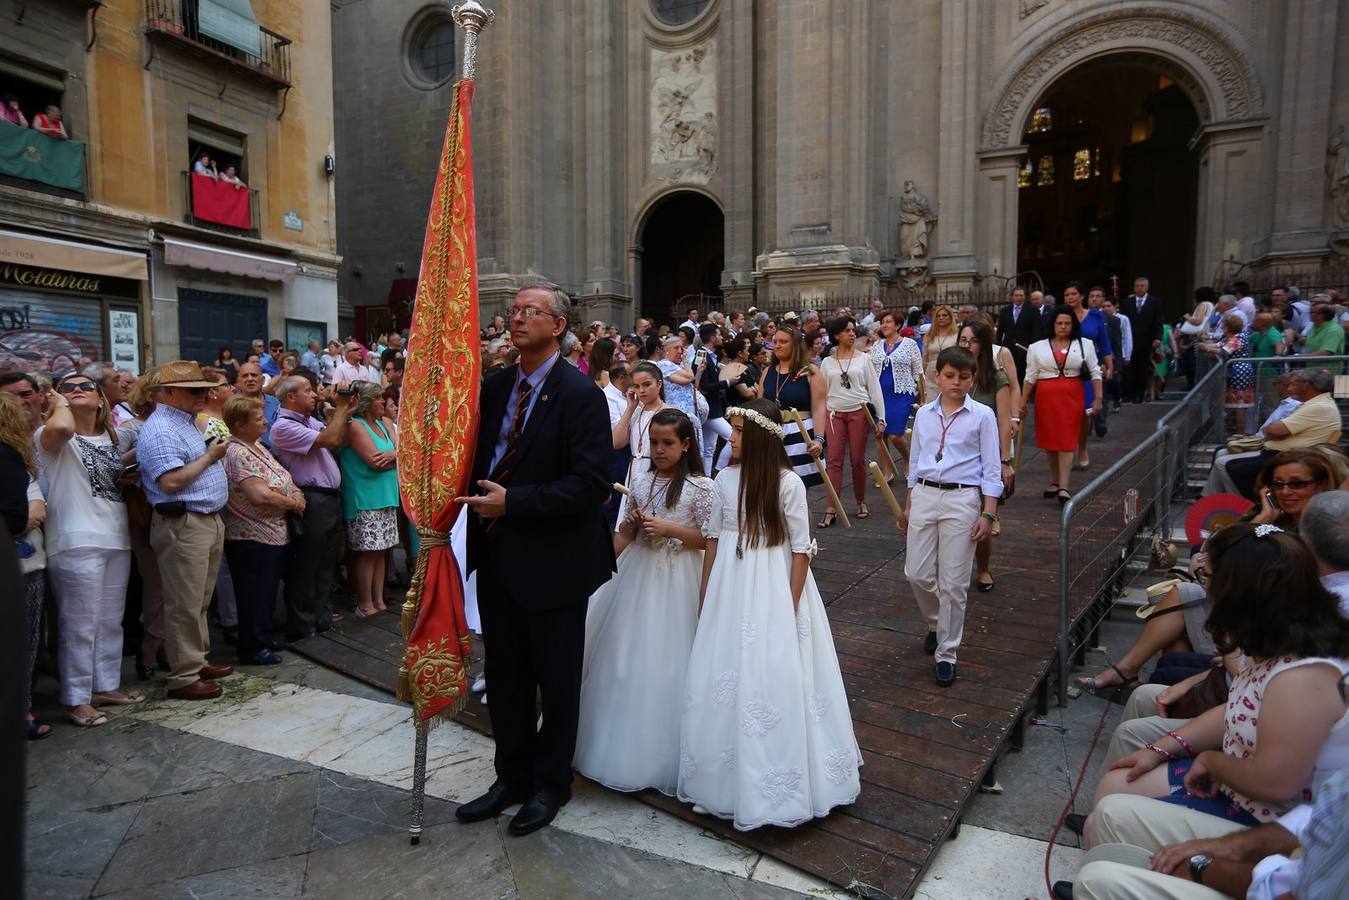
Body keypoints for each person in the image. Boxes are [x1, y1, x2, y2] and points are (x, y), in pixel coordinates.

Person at [1080, 524, 1349, 864]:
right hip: (1239, 788)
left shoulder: (1304, 677)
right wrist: (1160, 748)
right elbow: (1238, 709)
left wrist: (1210, 762)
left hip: (1273, 826)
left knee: (1104, 818)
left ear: (1239, 592)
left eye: (1210, 578)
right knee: (1114, 785)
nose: (1205, 588)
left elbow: (1275, 784)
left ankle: (1124, 874)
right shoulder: (1278, 640)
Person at [454, 284, 614, 837]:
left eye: (531, 312)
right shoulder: (495, 387)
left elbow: (591, 484)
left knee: (556, 676)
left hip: (555, 560)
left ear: (559, 325)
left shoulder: (579, 395)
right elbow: (474, 457)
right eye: (514, 311)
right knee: (504, 675)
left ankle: (550, 785)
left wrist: (514, 502)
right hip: (498, 555)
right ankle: (510, 777)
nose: (517, 319)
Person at [678, 397, 861, 828]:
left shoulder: (788, 483)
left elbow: (801, 549)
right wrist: (706, 590)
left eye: (739, 432)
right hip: (731, 581)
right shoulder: (724, 477)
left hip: (774, 582)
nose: (732, 438)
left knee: (773, 672)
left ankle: (779, 780)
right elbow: (714, 539)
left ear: (758, 436)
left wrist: (789, 603)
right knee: (725, 670)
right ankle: (719, 780)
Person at [574, 409, 713, 794]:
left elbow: (709, 539)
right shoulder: (640, 479)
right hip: (637, 575)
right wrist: (628, 534)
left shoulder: (701, 488)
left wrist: (670, 529)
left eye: (667, 443)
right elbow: (624, 533)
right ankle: (612, 744)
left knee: (668, 661)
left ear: (686, 445)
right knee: (620, 656)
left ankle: (665, 753)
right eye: (653, 443)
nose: (659, 450)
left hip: (678, 574)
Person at [38, 371, 140, 725]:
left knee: (110, 621)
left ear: (100, 399)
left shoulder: (108, 439)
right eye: (68, 387)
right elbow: (63, 430)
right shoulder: (50, 434)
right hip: (74, 538)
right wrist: (58, 404)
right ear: (58, 398)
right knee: (79, 624)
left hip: (115, 535)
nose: (77, 390)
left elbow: (109, 471)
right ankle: (76, 697)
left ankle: (105, 685)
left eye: (86, 387)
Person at [902, 347, 1003, 687]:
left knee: (955, 582)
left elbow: (991, 468)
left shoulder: (982, 416)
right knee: (915, 571)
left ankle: (947, 652)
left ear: (973, 378)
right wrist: (910, 498)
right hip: (926, 494)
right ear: (937, 377)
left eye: (963, 377)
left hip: (963, 498)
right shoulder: (926, 414)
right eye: (949, 376)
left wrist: (989, 512)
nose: (956, 383)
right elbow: (915, 460)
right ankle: (935, 622)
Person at [137, 361, 233, 701]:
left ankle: (195, 660)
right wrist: (210, 457)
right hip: (184, 521)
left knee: (199, 600)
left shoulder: (184, 422)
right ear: (167, 393)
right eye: (193, 390)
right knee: (184, 604)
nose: (203, 395)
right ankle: (183, 676)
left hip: (201, 520)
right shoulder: (163, 427)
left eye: (203, 389)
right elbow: (171, 481)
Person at [269, 376, 354, 640]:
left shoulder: (309, 420)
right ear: (290, 397)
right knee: (307, 565)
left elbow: (341, 439)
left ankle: (321, 618)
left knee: (327, 563)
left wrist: (346, 413)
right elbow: (329, 439)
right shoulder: (283, 426)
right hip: (311, 499)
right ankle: (302, 627)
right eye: (308, 390)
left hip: (328, 498)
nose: (315, 394)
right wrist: (338, 410)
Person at [221, 396, 300, 665]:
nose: (265, 421)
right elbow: (261, 496)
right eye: (258, 418)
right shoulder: (237, 452)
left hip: (272, 532)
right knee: (254, 592)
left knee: (266, 591)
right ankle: (252, 646)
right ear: (241, 425)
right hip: (251, 535)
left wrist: (292, 493)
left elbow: (281, 479)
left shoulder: (257, 447)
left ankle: (263, 637)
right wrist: (292, 503)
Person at [1206, 368, 1341, 499]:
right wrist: (1275, 432)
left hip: (1293, 456)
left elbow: (1272, 430)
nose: (1290, 387)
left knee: (1224, 464)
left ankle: (1241, 507)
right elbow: (1274, 431)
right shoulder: (1317, 403)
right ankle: (1211, 502)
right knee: (1222, 455)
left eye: (1295, 383)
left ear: (1306, 385)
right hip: (1284, 451)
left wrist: (1274, 431)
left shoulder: (1318, 406)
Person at [1, 393, 49, 739]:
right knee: (23, 641)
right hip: (20, 563)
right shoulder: (8, 457)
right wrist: (28, 517)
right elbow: (20, 514)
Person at [1019, 307, 1103, 504]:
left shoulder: (1085, 344)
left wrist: (1098, 397)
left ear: (1073, 325)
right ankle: (1055, 481)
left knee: (1067, 439)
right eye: (1059, 323)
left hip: (1072, 395)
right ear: (1053, 325)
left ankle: (1064, 485)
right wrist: (1022, 402)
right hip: (1046, 397)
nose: (1063, 327)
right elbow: (1030, 377)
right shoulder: (1036, 347)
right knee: (1050, 440)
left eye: (1067, 323)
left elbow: (1095, 372)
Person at [956, 322, 1014, 594]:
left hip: (986, 458)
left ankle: (982, 568)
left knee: (983, 517)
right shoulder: (953, 375)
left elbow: (1004, 423)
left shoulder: (997, 378)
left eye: (973, 340)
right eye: (963, 339)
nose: (967, 345)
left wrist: (1004, 462)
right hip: (958, 455)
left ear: (984, 344)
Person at [816, 316, 885, 526]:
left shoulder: (864, 359)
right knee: (834, 461)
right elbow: (822, 394)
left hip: (859, 412)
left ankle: (860, 500)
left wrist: (881, 418)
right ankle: (831, 507)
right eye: (847, 330)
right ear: (836, 335)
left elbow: (874, 388)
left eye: (853, 330)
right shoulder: (827, 362)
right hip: (834, 414)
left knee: (857, 460)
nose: (852, 333)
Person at [338, 381, 399, 618]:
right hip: (364, 498)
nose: (383, 402)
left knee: (381, 550)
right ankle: (365, 603)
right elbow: (375, 462)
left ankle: (378, 599)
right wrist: (397, 456)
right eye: (378, 398)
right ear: (365, 403)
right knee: (366, 552)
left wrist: (395, 454)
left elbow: (399, 452)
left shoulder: (383, 425)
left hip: (385, 496)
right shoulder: (356, 425)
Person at [758, 323, 828, 488]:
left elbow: (819, 409)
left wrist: (818, 440)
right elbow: (759, 407)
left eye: (783, 341)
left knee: (799, 494)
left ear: (795, 344)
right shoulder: (768, 372)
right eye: (776, 341)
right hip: (771, 438)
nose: (777, 345)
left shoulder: (810, 371)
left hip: (800, 437)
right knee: (772, 492)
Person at [1062, 282, 1114, 468]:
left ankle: (1082, 447)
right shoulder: (1062, 317)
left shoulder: (1095, 316)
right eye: (1067, 294)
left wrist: (1109, 365)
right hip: (1066, 368)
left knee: (1085, 412)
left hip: (1088, 369)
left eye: (1073, 294)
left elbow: (1105, 343)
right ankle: (1068, 449)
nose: (1070, 297)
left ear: (1081, 296)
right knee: (1067, 413)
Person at [870, 309, 924, 482]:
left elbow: (918, 372)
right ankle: (888, 472)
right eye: (882, 322)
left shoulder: (910, 344)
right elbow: (869, 370)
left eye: (888, 322)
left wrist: (922, 396)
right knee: (880, 434)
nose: (884, 325)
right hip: (879, 394)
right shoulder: (877, 345)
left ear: (898, 325)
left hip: (902, 393)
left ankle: (907, 459)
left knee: (894, 434)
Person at [695, 323, 732, 475]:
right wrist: (728, 382)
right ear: (712, 338)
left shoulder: (710, 355)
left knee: (709, 448)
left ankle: (708, 477)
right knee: (732, 436)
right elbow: (703, 385)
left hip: (713, 407)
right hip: (709, 409)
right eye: (718, 334)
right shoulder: (701, 355)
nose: (721, 337)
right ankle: (717, 470)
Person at [1122, 277, 1164, 403]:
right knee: (1129, 368)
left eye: (1142, 286)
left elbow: (1158, 322)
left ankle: (1139, 394)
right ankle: (1128, 393)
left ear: (1147, 287)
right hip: (1130, 341)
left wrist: (1157, 337)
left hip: (1146, 340)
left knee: (1142, 368)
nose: (1139, 288)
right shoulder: (1127, 302)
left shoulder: (1155, 302)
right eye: (1137, 286)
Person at [996, 288, 1038, 384]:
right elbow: (1000, 331)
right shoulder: (1005, 311)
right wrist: (998, 346)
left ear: (1025, 297)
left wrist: (1033, 347)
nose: (1018, 298)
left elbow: (1036, 330)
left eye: (1021, 295)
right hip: (1008, 347)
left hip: (1024, 348)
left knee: (1022, 374)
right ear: (1012, 297)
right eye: (1016, 295)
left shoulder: (1032, 310)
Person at [233, 361, 280, 447]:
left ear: (263, 380)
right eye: (245, 376)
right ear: (238, 381)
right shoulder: (231, 406)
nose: (250, 379)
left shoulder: (275, 403)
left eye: (254, 375)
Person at [920, 305, 960, 399]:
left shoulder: (957, 335)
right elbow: (925, 357)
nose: (941, 318)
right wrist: (923, 374)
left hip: (950, 370)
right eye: (938, 316)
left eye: (944, 315)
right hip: (931, 373)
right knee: (931, 400)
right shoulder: (929, 336)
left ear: (950, 317)